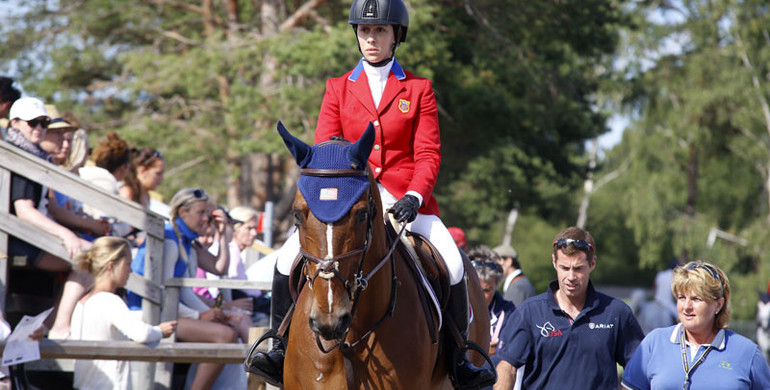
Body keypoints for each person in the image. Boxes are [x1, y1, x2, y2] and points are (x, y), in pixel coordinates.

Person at [246, 0, 496, 387]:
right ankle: (277, 348)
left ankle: (460, 356)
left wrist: (414, 195)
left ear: (396, 35)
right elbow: (326, 150)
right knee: (285, 259)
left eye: (379, 30)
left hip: (404, 201)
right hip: (350, 200)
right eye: (365, 31)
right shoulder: (338, 88)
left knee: (454, 260)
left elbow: (428, 153)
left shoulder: (418, 89)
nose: (371, 38)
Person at [493, 227, 644, 390]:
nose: (571, 277)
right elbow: (507, 367)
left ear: (592, 264)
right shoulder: (530, 312)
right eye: (564, 268)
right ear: (554, 262)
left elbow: (639, 368)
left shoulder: (616, 312)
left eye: (578, 268)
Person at [127, 188, 238, 390]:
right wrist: (199, 315)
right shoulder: (170, 241)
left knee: (228, 329)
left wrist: (221, 235)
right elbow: (162, 293)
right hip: (147, 313)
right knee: (225, 336)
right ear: (182, 213)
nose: (206, 218)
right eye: (201, 213)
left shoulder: (186, 241)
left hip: (167, 312)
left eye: (208, 213)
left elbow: (219, 268)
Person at [4, 97, 93, 339]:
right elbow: (24, 210)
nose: (39, 129)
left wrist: (88, 225)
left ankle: (49, 325)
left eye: (44, 123)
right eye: (33, 123)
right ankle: (58, 326)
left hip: (32, 234)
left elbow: (50, 206)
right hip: (20, 237)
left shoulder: (35, 156)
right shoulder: (19, 155)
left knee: (100, 255)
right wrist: (67, 234)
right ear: (15, 124)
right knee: (94, 261)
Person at [622, 261, 770, 390]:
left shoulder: (747, 353)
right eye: (681, 297)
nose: (686, 306)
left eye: (696, 299)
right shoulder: (654, 342)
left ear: (718, 304)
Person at [70, 236, 176, 390]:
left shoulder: (84, 301)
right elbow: (142, 334)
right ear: (111, 266)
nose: (130, 270)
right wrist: (160, 331)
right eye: (127, 264)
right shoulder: (109, 300)